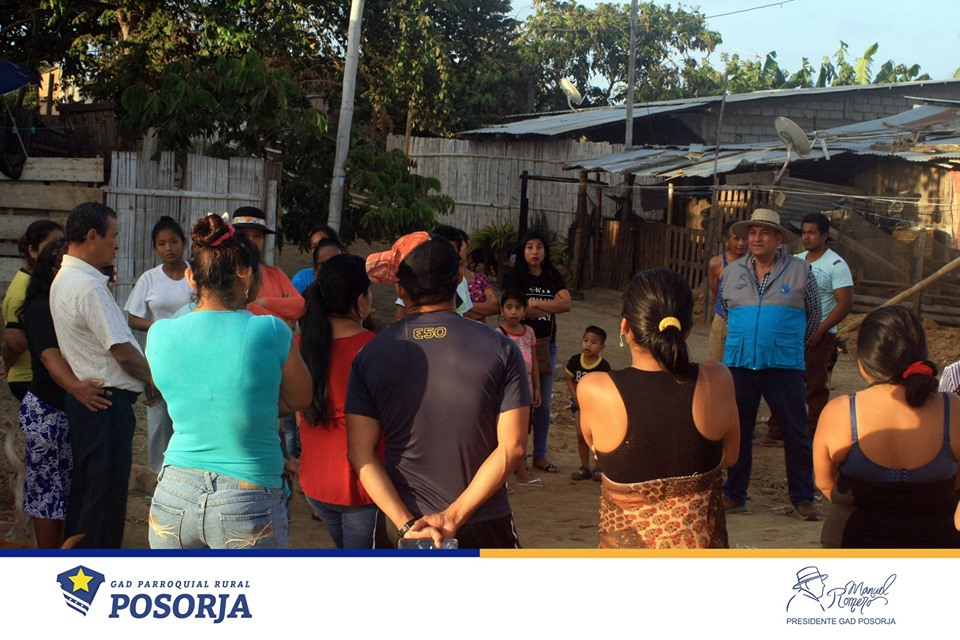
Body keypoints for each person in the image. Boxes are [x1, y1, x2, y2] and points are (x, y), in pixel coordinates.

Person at [346, 232, 530, 549]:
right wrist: (452, 516)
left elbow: (360, 453)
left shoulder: (370, 355)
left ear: (400, 289)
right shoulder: (501, 348)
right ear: (459, 277)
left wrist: (406, 524)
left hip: (402, 523)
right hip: (483, 520)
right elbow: (512, 448)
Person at [146, 214, 312, 549]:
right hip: (248, 494)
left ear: (191, 277)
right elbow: (301, 397)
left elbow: (180, 393)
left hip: (173, 491)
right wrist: (252, 403)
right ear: (246, 274)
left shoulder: (159, 333)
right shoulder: (269, 330)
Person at [578, 268, 739, 549]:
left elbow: (597, 451)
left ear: (625, 326)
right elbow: (730, 456)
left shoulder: (595, 388)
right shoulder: (718, 378)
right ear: (687, 329)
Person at [50, 202, 156, 548]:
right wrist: (155, 380)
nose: (117, 244)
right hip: (106, 403)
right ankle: (96, 565)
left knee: (89, 490)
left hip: (93, 402)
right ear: (92, 236)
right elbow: (123, 352)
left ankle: (78, 560)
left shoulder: (66, 279)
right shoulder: (88, 287)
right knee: (104, 496)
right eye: (114, 235)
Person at [814, 306, 960, 548]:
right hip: (934, 546)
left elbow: (825, 483)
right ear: (921, 354)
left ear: (863, 362)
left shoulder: (840, 411)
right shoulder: (952, 408)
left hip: (851, 544)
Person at [719, 208, 822, 520]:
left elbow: (814, 316)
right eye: (752, 233)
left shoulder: (801, 271)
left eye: (764, 233)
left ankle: (803, 499)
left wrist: (782, 340)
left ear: (778, 239)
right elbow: (726, 311)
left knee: (795, 433)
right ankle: (734, 494)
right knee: (739, 432)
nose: (756, 238)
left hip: (784, 365)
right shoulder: (732, 271)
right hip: (740, 363)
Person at [17, 238, 111, 548]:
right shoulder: (42, 309)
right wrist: (77, 388)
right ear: (53, 269)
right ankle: (51, 560)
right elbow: (49, 357)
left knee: (69, 490)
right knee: (48, 492)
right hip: (49, 411)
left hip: (69, 409)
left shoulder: (66, 302)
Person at [298, 254, 378, 549]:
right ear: (360, 301)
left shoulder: (301, 345)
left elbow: (297, 413)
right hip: (361, 487)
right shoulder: (374, 348)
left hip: (315, 482)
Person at [123, 216, 193, 473]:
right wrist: (160, 327)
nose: (168, 248)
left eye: (173, 241)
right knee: (160, 420)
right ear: (155, 248)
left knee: (189, 417)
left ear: (184, 243)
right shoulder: (149, 279)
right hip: (160, 358)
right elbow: (132, 318)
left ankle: (187, 472)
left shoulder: (196, 276)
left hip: (193, 356)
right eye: (162, 244)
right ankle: (157, 474)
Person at [502, 230, 571, 473]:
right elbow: (516, 310)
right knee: (516, 401)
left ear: (545, 251)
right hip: (515, 345)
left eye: (539, 247)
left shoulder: (552, 275)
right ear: (523, 250)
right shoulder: (515, 276)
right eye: (529, 247)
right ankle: (514, 456)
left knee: (542, 401)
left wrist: (536, 304)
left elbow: (566, 304)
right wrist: (549, 306)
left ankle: (539, 455)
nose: (534, 252)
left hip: (545, 347)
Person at [797, 212, 853, 435]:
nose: (806, 237)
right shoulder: (796, 260)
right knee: (786, 382)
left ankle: (814, 432)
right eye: (803, 232)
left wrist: (819, 331)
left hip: (820, 335)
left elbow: (845, 304)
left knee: (815, 385)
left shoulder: (836, 265)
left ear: (824, 236)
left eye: (811, 233)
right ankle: (778, 431)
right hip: (794, 332)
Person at [2, 219, 64, 401]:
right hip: (29, 378)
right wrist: (7, 364)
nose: (59, 251)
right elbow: (14, 340)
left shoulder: (44, 282)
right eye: (53, 245)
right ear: (32, 250)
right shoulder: (22, 289)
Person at [231, 206, 305, 326]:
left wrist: (262, 302)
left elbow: (300, 306)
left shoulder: (275, 273)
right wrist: (284, 319)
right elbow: (245, 308)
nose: (251, 241)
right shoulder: (227, 273)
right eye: (244, 235)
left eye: (257, 236)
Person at [497, 289, 541, 486]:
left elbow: (535, 363)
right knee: (505, 434)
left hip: (527, 391)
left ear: (524, 311)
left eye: (518, 307)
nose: (513, 312)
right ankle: (502, 479)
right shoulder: (498, 334)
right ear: (501, 310)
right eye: (509, 307)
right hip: (507, 392)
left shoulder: (529, 332)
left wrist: (537, 388)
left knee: (523, 433)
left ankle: (522, 473)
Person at [394, 224, 473, 320]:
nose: (446, 256)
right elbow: (400, 318)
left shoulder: (462, 281)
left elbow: (465, 315)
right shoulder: (415, 280)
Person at [567, 325, 611, 481]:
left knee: (597, 437)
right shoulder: (575, 361)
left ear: (601, 347)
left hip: (597, 408)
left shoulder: (603, 366)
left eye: (593, 342)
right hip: (579, 406)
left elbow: (606, 386)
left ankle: (598, 467)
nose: (588, 345)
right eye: (586, 340)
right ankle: (584, 467)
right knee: (581, 436)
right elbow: (570, 379)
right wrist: (575, 397)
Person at [707, 219, 745, 362]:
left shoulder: (752, 263)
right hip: (721, 321)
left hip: (743, 321)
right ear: (726, 240)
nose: (741, 243)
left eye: (744, 239)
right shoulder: (716, 263)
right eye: (736, 239)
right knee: (716, 363)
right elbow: (715, 292)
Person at [291, 224, 343, 294]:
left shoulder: (349, 276)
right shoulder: (302, 278)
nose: (319, 248)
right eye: (314, 247)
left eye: (323, 243)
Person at [461, 230, 499, 323]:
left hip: (481, 330)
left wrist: (464, 306)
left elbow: (495, 307)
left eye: (460, 245)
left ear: (468, 247)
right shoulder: (443, 280)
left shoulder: (481, 278)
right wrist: (483, 309)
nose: (456, 250)